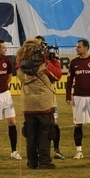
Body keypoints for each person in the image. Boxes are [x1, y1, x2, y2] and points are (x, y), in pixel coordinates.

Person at [16, 37, 62, 170]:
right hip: (43, 105)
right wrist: (54, 61)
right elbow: (57, 76)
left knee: (30, 135)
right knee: (44, 134)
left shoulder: (20, 67)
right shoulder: (44, 66)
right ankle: (44, 161)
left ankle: (32, 162)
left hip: (28, 105)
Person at [66, 39, 90, 159]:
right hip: (78, 97)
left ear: (86, 48)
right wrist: (68, 96)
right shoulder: (74, 62)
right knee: (78, 124)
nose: (76, 49)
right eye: (77, 47)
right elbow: (69, 81)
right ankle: (79, 151)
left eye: (79, 47)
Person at [36, 35, 64, 160]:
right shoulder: (29, 58)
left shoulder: (50, 58)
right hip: (35, 96)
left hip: (49, 95)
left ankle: (56, 150)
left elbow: (56, 76)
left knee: (54, 123)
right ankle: (39, 150)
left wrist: (50, 61)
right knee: (37, 124)